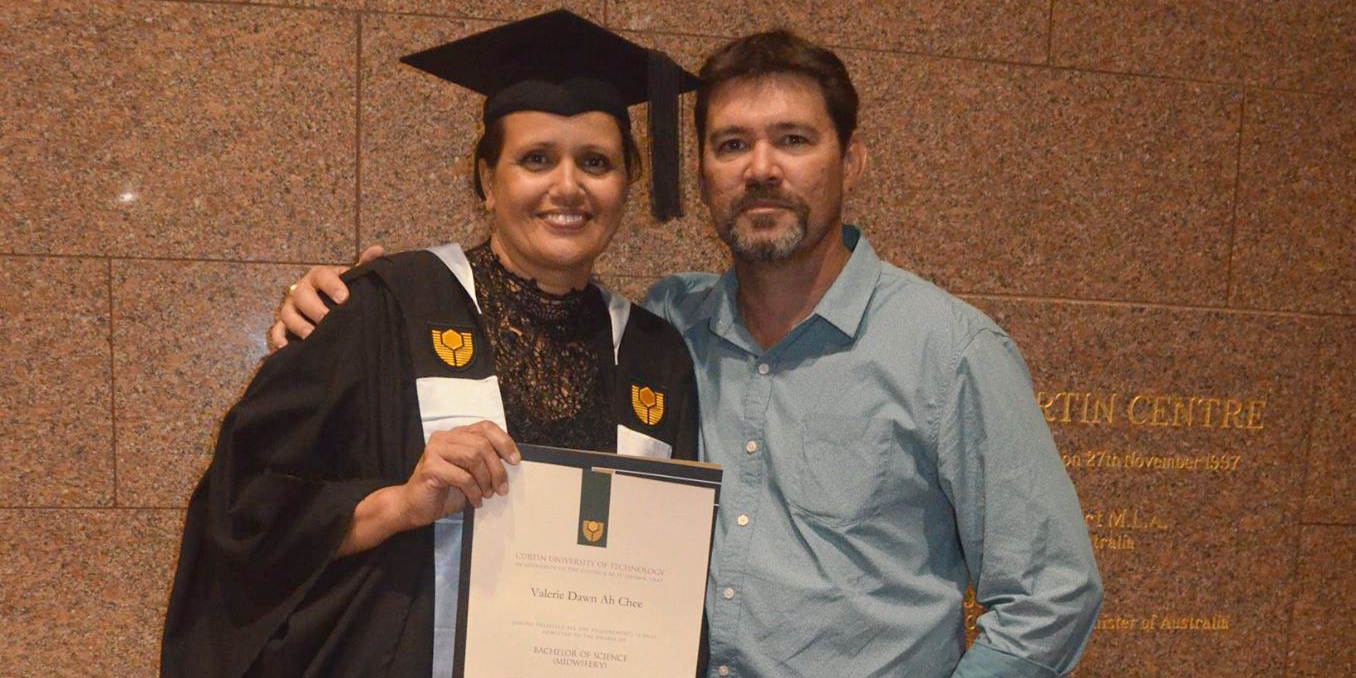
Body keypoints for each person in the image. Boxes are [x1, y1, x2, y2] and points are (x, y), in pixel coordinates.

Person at [273, 29, 1104, 678]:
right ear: (700, 171)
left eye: (793, 140)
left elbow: (1051, 596)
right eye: (732, 144)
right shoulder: (662, 333)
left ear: (850, 160)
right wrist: (342, 303)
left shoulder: (949, 352)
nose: (762, 170)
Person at [161, 11, 703, 677]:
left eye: (596, 162)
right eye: (536, 159)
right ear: (486, 180)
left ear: (626, 185)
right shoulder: (385, 307)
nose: (568, 186)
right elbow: (244, 518)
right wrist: (399, 505)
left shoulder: (656, 356)